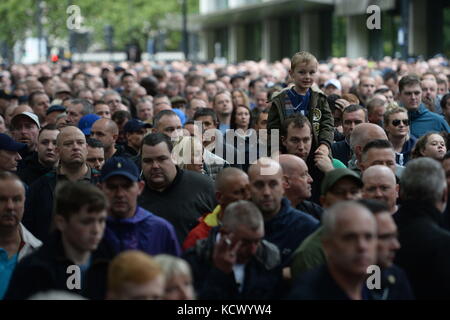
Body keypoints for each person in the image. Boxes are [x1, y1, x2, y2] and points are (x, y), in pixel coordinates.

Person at [5, 181, 112, 300]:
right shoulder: (33, 269)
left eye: (101, 220)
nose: (96, 230)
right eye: (86, 221)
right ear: (61, 222)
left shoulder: (111, 261)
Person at [183, 200, 283, 300]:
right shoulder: (196, 259)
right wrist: (220, 273)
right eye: (245, 242)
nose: (253, 250)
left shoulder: (269, 257)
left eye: (257, 241)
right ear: (224, 233)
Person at [23, 126, 101, 242]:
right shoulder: (40, 187)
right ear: (57, 151)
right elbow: (28, 229)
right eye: (68, 144)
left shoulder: (103, 182)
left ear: (86, 148)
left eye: (80, 143)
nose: (75, 147)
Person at [289, 201, 377, 300]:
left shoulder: (375, 285)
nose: (362, 246)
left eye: (368, 237)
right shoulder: (306, 295)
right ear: (327, 245)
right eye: (349, 238)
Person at [138, 133, 216, 243]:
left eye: (162, 159)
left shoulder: (203, 186)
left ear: (174, 157)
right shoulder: (134, 193)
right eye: (148, 161)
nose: (155, 166)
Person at [290, 168, 363, 278]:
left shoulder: (372, 237)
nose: (348, 197)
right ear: (324, 201)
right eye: (339, 192)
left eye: (354, 192)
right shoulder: (311, 252)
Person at [100, 156, 180, 256]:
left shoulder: (160, 230)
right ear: (100, 189)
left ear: (140, 187)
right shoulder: (90, 229)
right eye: (112, 187)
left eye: (127, 186)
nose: (120, 194)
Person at [395, 158, 450, 299]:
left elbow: (373, 286)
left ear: (399, 191)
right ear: (444, 194)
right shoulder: (444, 243)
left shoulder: (378, 234)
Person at [248, 158, 319, 267]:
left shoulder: (307, 228)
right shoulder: (234, 227)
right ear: (248, 189)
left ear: (283, 185)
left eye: (273, 184)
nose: (266, 192)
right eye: (259, 185)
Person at [268, 51, 334, 158]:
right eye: (302, 72)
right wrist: (276, 151)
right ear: (291, 73)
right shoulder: (280, 100)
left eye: (312, 72)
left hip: (316, 153)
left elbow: (327, 125)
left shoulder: (320, 98)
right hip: (286, 153)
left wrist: (325, 145)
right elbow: (272, 130)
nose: (307, 76)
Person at [281, 114, 346, 204]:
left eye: (306, 140)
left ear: (311, 138)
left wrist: (330, 172)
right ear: (284, 140)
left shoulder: (332, 165)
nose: (301, 147)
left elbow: (348, 201)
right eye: (295, 140)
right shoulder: (274, 167)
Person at [183, 167, 250, 250]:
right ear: (219, 197)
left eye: (249, 190)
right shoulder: (199, 236)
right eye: (238, 192)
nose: (247, 197)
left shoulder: (261, 222)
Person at [0, 172, 42, 299]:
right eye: (1, 199)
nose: (10, 207)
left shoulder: (39, 252)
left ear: (25, 203)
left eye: (17, 199)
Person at [279, 154, 323, 220]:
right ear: (286, 181)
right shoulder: (265, 217)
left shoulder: (315, 211)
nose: (311, 179)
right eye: (304, 175)